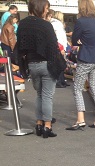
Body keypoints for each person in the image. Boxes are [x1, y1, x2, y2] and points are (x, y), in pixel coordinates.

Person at [16, 0, 66, 138]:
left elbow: (20, 46)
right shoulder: (45, 25)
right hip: (47, 64)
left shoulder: (23, 24)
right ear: (41, 8)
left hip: (32, 64)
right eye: (46, 8)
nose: (47, 10)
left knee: (39, 95)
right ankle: (47, 126)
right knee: (47, 96)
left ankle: (39, 123)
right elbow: (52, 46)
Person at [68, 0, 95, 131]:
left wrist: (80, 41)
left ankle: (80, 119)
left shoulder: (81, 21)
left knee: (77, 88)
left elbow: (74, 41)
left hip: (85, 58)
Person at [49, 11, 69, 88]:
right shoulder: (56, 24)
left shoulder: (56, 23)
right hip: (59, 46)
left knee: (61, 63)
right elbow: (58, 37)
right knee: (60, 64)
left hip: (60, 45)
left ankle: (62, 81)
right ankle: (59, 81)